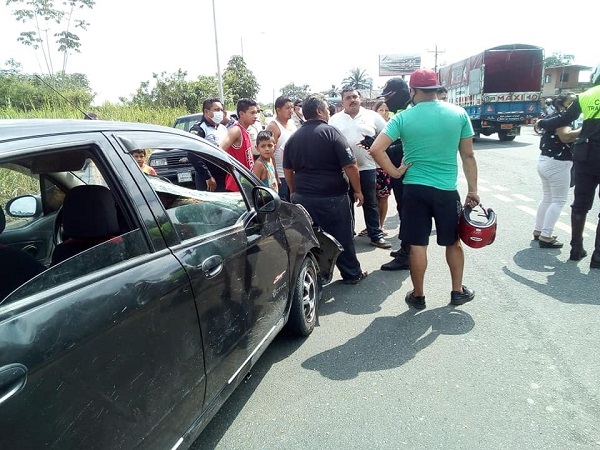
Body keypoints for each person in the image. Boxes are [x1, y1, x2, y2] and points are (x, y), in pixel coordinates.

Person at [369, 68, 479, 310]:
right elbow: (468, 156)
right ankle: (457, 291)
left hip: (414, 189)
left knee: (418, 244)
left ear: (413, 91)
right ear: (436, 89)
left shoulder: (403, 118)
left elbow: (376, 149)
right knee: (453, 242)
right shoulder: (458, 114)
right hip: (446, 190)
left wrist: (396, 171)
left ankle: (418, 295)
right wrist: (473, 190)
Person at [283, 94, 367, 285]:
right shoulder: (331, 133)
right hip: (332, 197)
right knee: (343, 235)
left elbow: (288, 169)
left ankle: (317, 276)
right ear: (320, 111)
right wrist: (358, 191)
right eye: (327, 109)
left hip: (303, 197)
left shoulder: (294, 138)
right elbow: (351, 166)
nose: (329, 112)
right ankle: (352, 273)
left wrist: (293, 191)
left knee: (312, 238)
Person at [536, 65, 600, 267]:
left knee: (580, 204)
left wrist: (542, 123)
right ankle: (598, 257)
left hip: (585, 155)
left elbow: (565, 118)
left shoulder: (586, 95)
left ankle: (576, 248)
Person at [329, 88, 390, 249]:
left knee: (370, 203)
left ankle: (375, 235)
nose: (352, 100)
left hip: (368, 167)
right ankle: (348, 235)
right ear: (342, 102)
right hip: (343, 170)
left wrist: (374, 142)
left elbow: (388, 135)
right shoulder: (334, 120)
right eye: (348, 98)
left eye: (355, 97)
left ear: (360, 99)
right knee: (346, 204)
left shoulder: (373, 116)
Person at [375, 78, 413, 271]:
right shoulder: (400, 111)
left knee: (408, 213)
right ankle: (405, 249)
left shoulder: (409, 111)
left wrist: (382, 147)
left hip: (408, 172)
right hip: (399, 171)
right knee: (402, 210)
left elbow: (407, 146)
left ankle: (407, 255)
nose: (386, 102)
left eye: (390, 96)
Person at [533, 93, 580, 248]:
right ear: (562, 104)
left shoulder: (553, 116)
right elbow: (565, 137)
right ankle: (546, 236)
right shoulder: (562, 118)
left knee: (547, 198)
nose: (575, 105)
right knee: (558, 201)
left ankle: (539, 231)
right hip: (558, 163)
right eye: (572, 102)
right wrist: (585, 129)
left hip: (545, 160)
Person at [189, 98, 228, 191]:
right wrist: (207, 176)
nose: (220, 112)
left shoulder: (223, 129)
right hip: (207, 178)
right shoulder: (199, 129)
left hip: (223, 175)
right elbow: (192, 154)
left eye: (221, 110)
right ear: (206, 111)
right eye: (217, 110)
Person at [220, 98, 259, 192]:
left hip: (246, 183)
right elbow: (219, 150)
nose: (256, 116)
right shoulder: (236, 130)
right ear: (241, 114)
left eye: (256, 112)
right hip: (236, 184)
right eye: (252, 113)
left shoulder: (246, 130)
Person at [266, 96, 297, 201]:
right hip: (281, 176)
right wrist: (275, 176)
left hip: (294, 174)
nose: (291, 111)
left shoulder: (292, 123)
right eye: (287, 108)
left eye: (292, 107)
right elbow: (269, 154)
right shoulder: (273, 127)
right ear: (278, 110)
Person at [373, 100, 392, 234]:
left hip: (385, 168)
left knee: (383, 198)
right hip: (370, 168)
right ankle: (372, 226)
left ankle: (381, 225)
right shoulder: (371, 126)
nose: (384, 113)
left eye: (386, 110)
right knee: (371, 200)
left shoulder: (393, 126)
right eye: (381, 110)